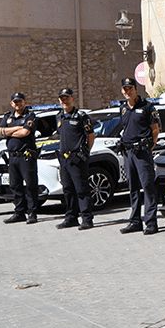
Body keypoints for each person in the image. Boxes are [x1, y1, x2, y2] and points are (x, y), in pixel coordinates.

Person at [118, 77, 160, 235]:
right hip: (128, 152)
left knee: (147, 186)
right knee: (133, 187)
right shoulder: (123, 108)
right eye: (125, 89)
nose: (127, 91)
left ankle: (151, 222)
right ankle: (135, 221)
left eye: (130, 88)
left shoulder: (147, 106)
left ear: (136, 89)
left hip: (142, 152)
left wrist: (149, 146)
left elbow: (155, 129)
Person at [54, 87, 96, 231]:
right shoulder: (59, 117)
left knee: (81, 190)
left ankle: (87, 219)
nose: (64, 100)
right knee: (68, 189)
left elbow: (91, 135)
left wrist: (86, 152)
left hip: (77, 159)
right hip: (64, 159)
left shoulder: (80, 116)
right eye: (62, 98)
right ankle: (71, 218)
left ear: (73, 99)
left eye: (67, 98)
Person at [0, 92, 40, 224]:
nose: (18, 104)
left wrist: (8, 131)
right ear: (12, 103)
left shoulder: (30, 116)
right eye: (15, 102)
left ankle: (32, 213)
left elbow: (25, 132)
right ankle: (19, 212)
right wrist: (17, 128)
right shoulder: (8, 116)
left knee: (30, 185)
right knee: (15, 186)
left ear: (24, 102)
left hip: (26, 156)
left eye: (20, 101)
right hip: (12, 156)